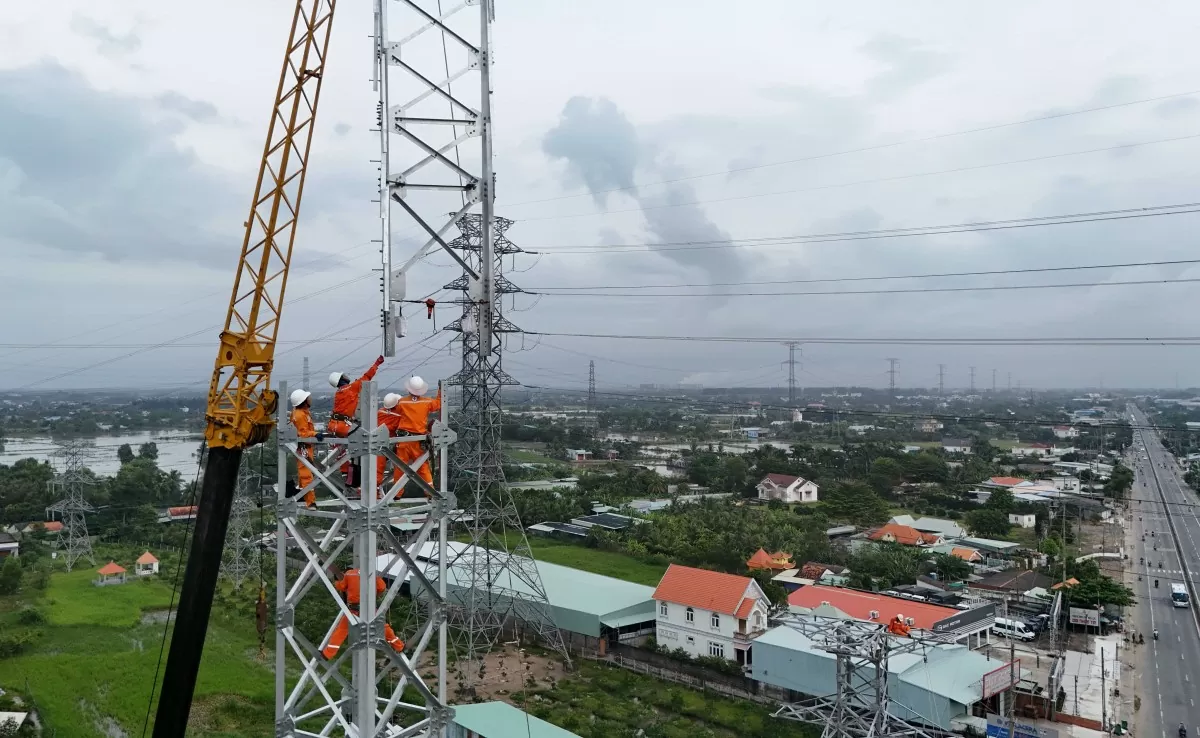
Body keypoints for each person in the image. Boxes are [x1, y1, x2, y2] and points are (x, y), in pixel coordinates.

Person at [327, 355, 385, 488]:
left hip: (333, 425)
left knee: (341, 448)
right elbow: (367, 377)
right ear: (341, 379)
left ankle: (346, 472)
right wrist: (377, 363)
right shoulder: (351, 388)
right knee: (363, 440)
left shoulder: (339, 392)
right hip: (344, 426)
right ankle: (357, 476)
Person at [322, 567, 405, 659]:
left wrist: (337, 582)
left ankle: (328, 654)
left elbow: (341, 587)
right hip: (370, 608)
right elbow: (382, 587)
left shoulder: (349, 574)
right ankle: (399, 646)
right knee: (383, 627)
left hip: (354, 609)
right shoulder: (372, 573)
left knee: (341, 631)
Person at [389, 376, 442, 496]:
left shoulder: (402, 402)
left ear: (409, 389)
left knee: (400, 467)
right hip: (419, 441)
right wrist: (440, 390)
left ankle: (397, 494)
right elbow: (438, 404)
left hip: (403, 440)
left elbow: (396, 412)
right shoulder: (427, 402)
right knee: (423, 467)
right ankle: (430, 493)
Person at [286, 389, 318, 509]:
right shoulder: (299, 415)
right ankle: (310, 502)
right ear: (304, 401)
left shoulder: (302, 412)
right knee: (306, 474)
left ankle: (302, 496)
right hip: (303, 447)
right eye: (308, 398)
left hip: (305, 447)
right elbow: (303, 433)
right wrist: (315, 434)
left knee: (304, 474)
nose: (310, 399)